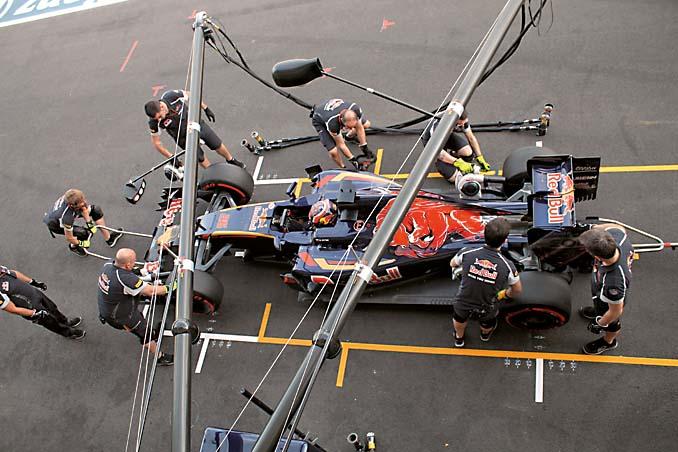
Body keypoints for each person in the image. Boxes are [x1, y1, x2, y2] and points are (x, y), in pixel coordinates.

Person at [449, 217, 522, 347]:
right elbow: (517, 290)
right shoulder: (508, 266)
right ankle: (485, 335)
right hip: (487, 306)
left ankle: (459, 339)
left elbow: (452, 264)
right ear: (505, 241)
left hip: (463, 302)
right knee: (487, 323)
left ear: (484, 234)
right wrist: (504, 294)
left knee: (459, 319)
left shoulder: (467, 252)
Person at [97, 248, 173, 366]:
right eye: (133, 261)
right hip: (121, 316)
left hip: (109, 307)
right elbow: (150, 291)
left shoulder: (109, 264)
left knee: (141, 321)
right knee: (145, 333)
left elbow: (127, 273)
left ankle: (152, 333)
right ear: (127, 265)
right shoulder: (125, 279)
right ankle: (160, 357)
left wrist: (143, 270)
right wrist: (171, 287)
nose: (135, 263)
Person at [144, 89, 245, 173]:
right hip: (183, 137)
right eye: (157, 119)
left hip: (195, 123)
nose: (159, 120)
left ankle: (231, 160)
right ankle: (213, 173)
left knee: (216, 143)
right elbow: (156, 143)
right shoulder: (153, 122)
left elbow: (192, 95)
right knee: (200, 158)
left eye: (159, 116)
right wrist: (171, 157)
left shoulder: (171, 96)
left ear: (161, 107)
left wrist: (206, 108)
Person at [577, 224, 632, 355]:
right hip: (601, 285)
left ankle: (608, 342)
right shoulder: (617, 236)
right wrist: (594, 227)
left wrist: (600, 323)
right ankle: (598, 312)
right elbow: (619, 227)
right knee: (600, 306)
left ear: (596, 255)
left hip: (609, 302)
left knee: (611, 322)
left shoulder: (613, 283)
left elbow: (615, 311)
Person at [0, 265, 85, 340]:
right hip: (32, 308)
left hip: (36, 294)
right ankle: (68, 333)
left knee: (53, 308)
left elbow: (13, 273)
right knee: (50, 322)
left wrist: (33, 282)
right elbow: (13, 309)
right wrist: (33, 313)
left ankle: (65, 322)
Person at [44, 188, 122, 257]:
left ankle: (109, 239)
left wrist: (89, 223)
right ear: (73, 205)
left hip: (69, 211)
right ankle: (74, 247)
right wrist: (81, 243)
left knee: (96, 210)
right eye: (81, 202)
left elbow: (84, 209)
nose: (85, 202)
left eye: (83, 199)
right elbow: (69, 237)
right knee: (83, 233)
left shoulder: (74, 197)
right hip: (55, 223)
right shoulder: (67, 217)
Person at [421, 111, 491, 184]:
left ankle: (453, 155)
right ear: (453, 120)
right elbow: (439, 153)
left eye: (463, 124)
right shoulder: (437, 128)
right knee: (453, 178)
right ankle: (438, 162)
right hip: (433, 145)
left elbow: (471, 138)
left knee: (468, 154)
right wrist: (458, 163)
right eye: (459, 125)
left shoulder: (462, 121)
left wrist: (479, 157)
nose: (462, 126)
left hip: (447, 135)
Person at [310, 98, 374, 170]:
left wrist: (364, 147)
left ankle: (349, 137)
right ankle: (342, 167)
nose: (351, 129)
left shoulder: (356, 110)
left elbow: (359, 128)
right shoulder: (333, 124)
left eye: (352, 126)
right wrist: (354, 161)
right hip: (320, 121)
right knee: (333, 152)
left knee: (366, 124)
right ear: (341, 121)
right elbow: (341, 145)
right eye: (348, 127)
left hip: (332, 113)